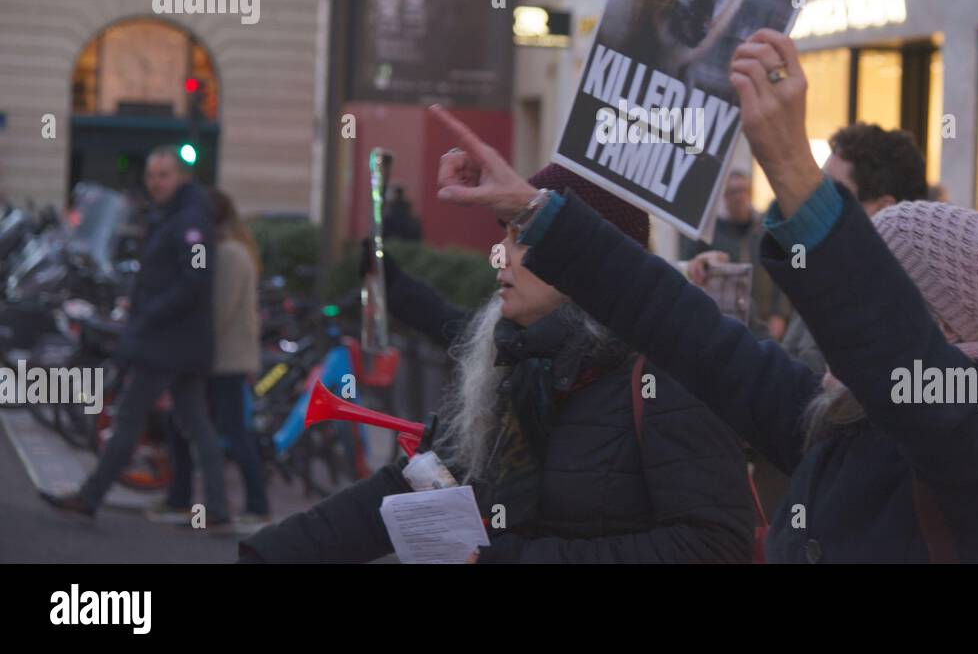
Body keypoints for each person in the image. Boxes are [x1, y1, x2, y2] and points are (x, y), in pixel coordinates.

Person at [431, 31, 978, 563]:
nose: (844, 314)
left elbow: (896, 353)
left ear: (941, 317)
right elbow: (686, 329)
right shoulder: (844, 418)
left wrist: (793, 171)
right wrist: (541, 212)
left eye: (887, 281)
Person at [239, 160, 753, 563]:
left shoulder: (669, 374)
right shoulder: (519, 364)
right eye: (505, 233)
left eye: (521, 236)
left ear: (592, 257)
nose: (499, 252)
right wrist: (266, 554)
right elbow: (416, 485)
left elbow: (712, 549)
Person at [41, 146, 231, 527]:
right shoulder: (175, 215)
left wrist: (151, 312)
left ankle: (91, 496)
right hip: (176, 341)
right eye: (150, 176)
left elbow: (196, 279)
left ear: (182, 177)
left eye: (163, 175)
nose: (155, 183)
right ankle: (218, 508)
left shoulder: (192, 221)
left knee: (129, 416)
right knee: (194, 422)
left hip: (167, 342)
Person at [150, 188, 269, 529]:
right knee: (197, 425)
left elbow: (218, 310)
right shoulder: (232, 248)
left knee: (226, 430)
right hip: (223, 358)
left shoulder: (230, 253)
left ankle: (254, 506)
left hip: (223, 359)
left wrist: (189, 345)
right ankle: (185, 497)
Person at [781, 123, 928, 377]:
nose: (815, 200)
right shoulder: (834, 269)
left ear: (882, 208)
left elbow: (797, 392)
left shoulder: (894, 305)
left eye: (831, 190)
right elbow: (783, 367)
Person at [680, 170, 788, 340]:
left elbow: (782, 270)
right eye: (733, 192)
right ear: (724, 196)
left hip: (764, 321)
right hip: (724, 323)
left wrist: (779, 312)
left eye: (743, 190)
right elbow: (689, 267)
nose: (739, 197)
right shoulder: (709, 233)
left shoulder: (766, 230)